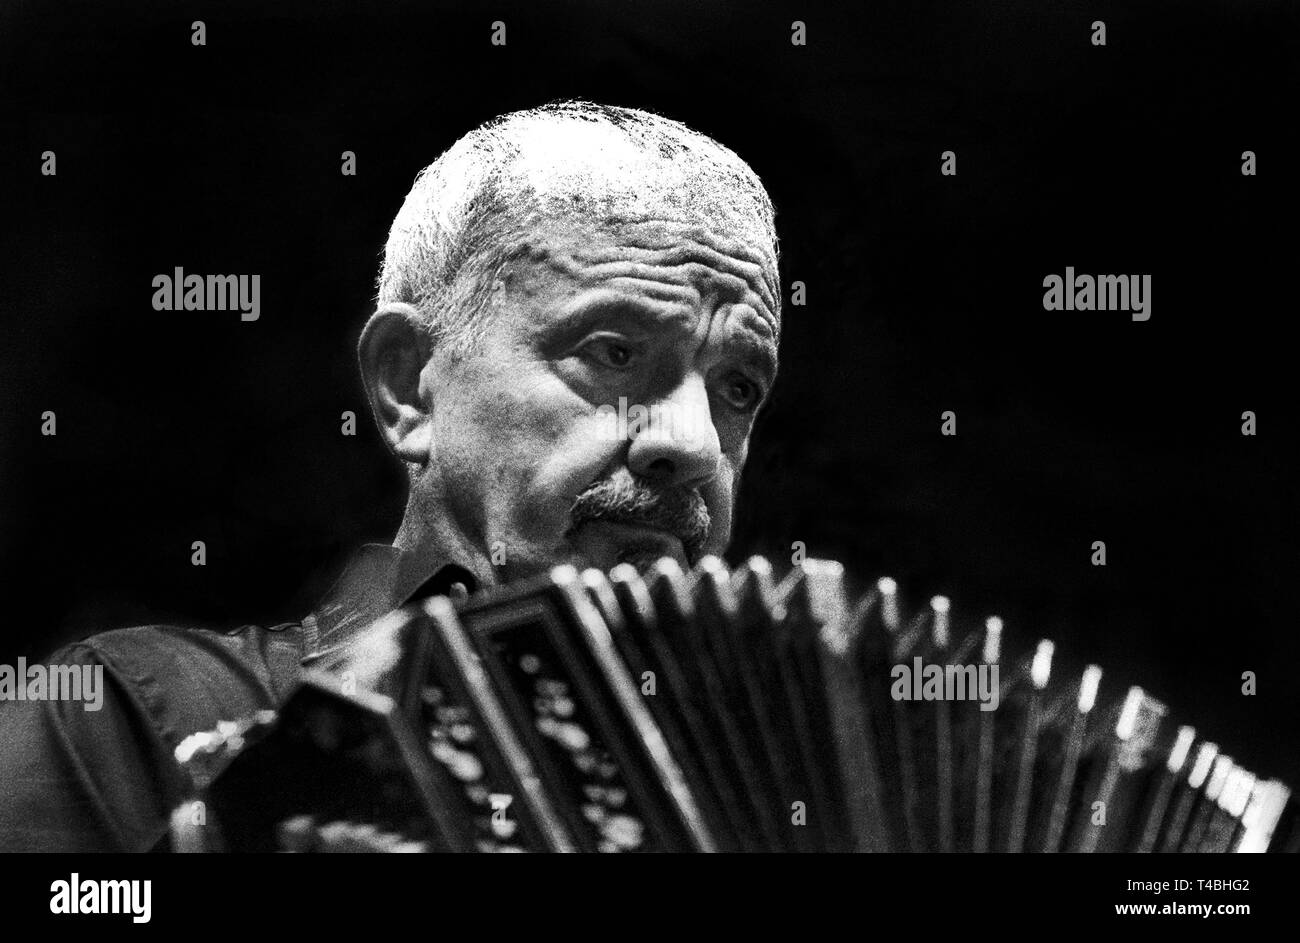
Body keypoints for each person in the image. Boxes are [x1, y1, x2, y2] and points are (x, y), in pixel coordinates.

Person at [0, 100, 783, 851]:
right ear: (409, 386)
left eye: (736, 388)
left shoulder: (781, 780)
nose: (695, 443)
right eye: (614, 352)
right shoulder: (127, 715)